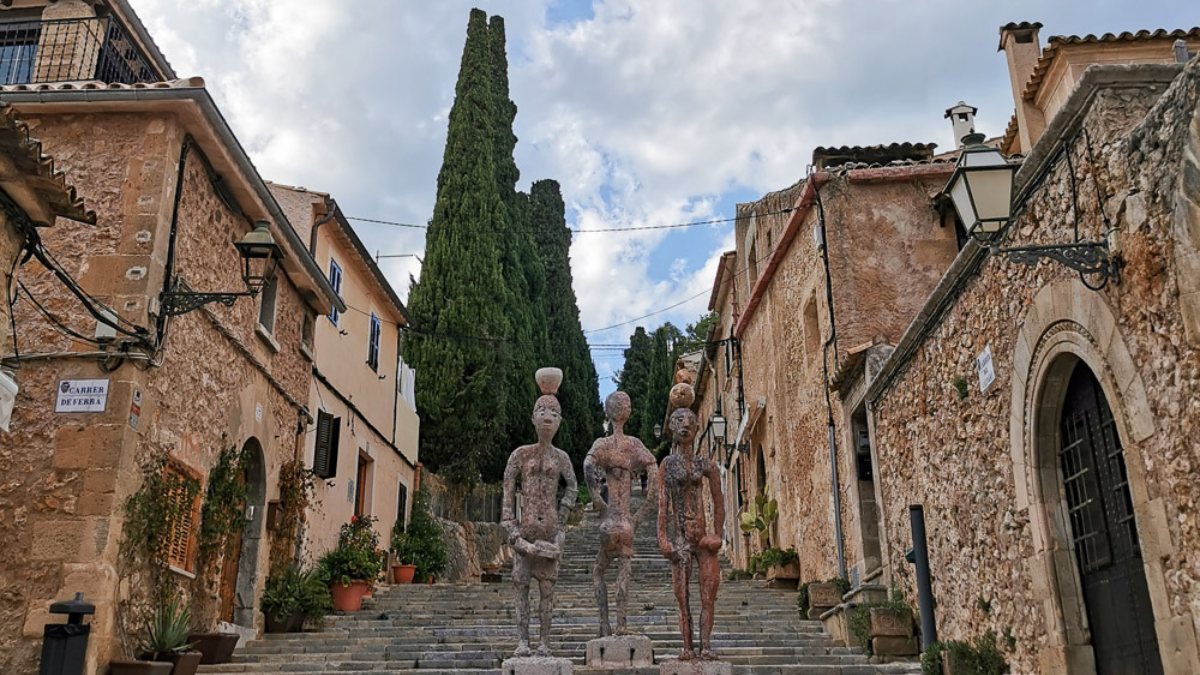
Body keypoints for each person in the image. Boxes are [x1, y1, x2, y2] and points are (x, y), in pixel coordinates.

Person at [501, 370, 578, 657]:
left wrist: (562, 522)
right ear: (533, 418)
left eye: (554, 414)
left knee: (547, 593)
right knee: (520, 590)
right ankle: (523, 641)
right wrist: (513, 533)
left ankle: (544, 642)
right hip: (525, 536)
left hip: (548, 537)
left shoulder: (562, 458)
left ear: (559, 422)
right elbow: (507, 499)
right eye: (543, 411)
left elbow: (572, 486)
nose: (548, 417)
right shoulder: (520, 455)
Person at [583, 391, 658, 636]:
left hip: (608, 522)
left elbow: (587, 465)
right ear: (628, 412)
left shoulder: (602, 445)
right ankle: (622, 624)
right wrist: (644, 509)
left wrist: (597, 500)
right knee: (624, 571)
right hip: (626, 522)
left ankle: (604, 624)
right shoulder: (634, 445)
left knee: (598, 570)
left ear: (608, 412)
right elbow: (653, 467)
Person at [658, 406, 725, 660]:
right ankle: (687, 647)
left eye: (690, 420)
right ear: (671, 428)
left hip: (703, 538)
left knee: (709, 594)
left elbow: (719, 500)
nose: (685, 424)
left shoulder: (706, 465)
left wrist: (718, 534)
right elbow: (663, 504)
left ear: (698, 429)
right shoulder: (668, 464)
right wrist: (663, 539)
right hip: (680, 539)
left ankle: (705, 645)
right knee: (682, 597)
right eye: (678, 420)